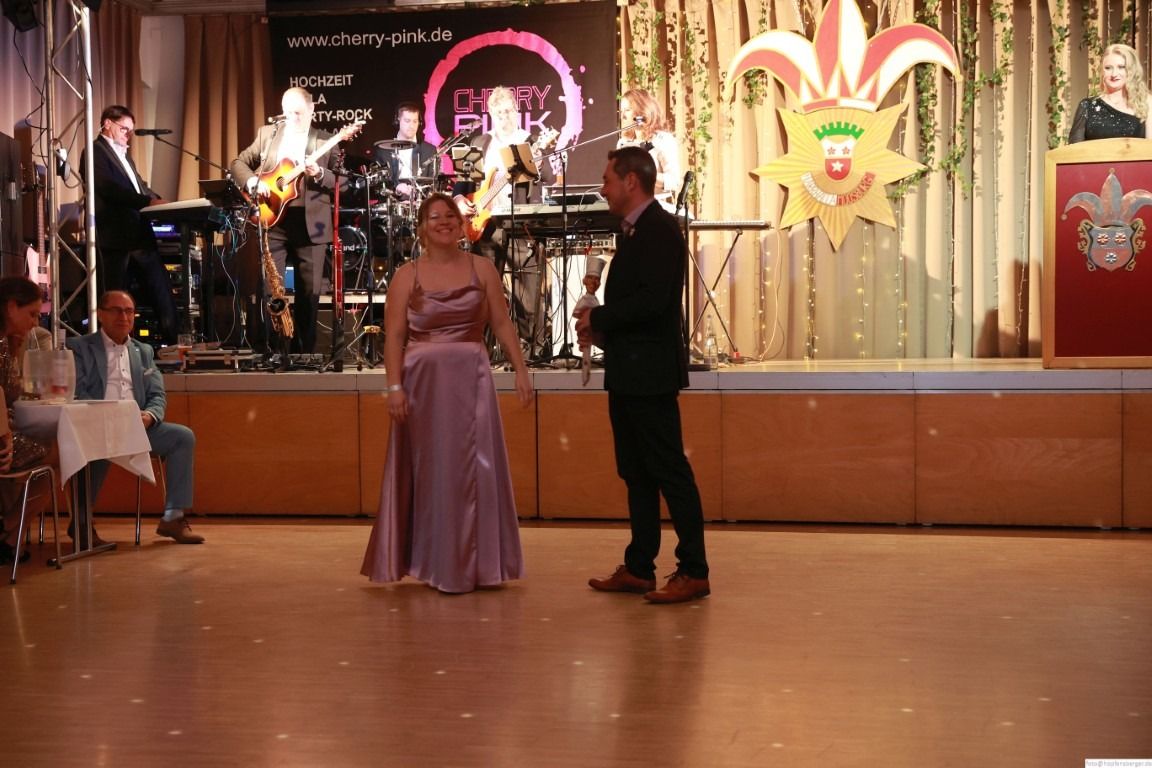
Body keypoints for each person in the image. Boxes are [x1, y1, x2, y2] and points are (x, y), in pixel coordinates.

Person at [361, 192, 534, 594]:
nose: (445, 221)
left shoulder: (482, 268)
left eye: (451, 216)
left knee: (475, 468)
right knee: (433, 471)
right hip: (422, 384)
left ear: (461, 225)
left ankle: (478, 564)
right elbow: (394, 338)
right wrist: (394, 387)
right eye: (435, 217)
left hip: (471, 378)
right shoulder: (406, 275)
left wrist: (521, 370)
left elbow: (502, 323)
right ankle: (435, 561)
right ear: (422, 229)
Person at [574, 146, 710, 604]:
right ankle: (639, 567)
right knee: (636, 472)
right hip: (630, 370)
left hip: (649, 374)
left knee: (669, 471)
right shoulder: (637, 230)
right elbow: (639, 306)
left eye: (607, 180)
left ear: (631, 181)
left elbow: (652, 303)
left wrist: (600, 318)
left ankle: (694, 570)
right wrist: (602, 331)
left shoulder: (659, 229)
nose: (603, 188)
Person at [69, 290, 203, 544]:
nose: (124, 316)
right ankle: (82, 523)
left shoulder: (144, 351)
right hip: (97, 424)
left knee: (182, 437)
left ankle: (173, 518)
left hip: (137, 426)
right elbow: (78, 390)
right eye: (116, 310)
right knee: (95, 442)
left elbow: (157, 395)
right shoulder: (80, 347)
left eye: (129, 311)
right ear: (101, 314)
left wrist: (150, 416)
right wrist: (108, 416)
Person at [231, 87, 340, 355]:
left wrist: (320, 173)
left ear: (312, 109)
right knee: (271, 291)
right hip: (273, 221)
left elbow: (343, 182)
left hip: (310, 227)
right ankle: (274, 351)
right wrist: (253, 181)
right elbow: (237, 163)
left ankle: (305, 354)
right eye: (288, 113)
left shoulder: (326, 140)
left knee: (309, 296)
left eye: (298, 113)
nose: (293, 118)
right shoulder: (267, 135)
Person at [455, 86, 550, 359]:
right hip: (484, 226)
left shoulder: (528, 141)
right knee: (482, 293)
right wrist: (459, 199)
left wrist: (536, 161)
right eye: (498, 112)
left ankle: (532, 352)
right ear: (490, 114)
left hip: (520, 225)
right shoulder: (480, 142)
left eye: (508, 111)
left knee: (527, 294)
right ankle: (479, 354)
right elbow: (464, 182)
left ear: (517, 111)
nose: (504, 117)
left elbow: (548, 176)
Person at [83, 105, 179, 345]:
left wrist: (161, 202)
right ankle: (114, 348)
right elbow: (108, 188)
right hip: (116, 238)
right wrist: (147, 201)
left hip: (139, 235)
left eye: (130, 130)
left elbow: (139, 186)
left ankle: (175, 344)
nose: (128, 135)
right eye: (124, 128)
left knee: (161, 293)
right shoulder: (94, 151)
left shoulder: (125, 156)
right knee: (116, 298)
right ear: (107, 123)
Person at [0, 278, 59, 565]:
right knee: (60, 453)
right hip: (2, 440)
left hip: (5, 431)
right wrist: (5, 435)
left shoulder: (7, 342)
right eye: (32, 314)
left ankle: (9, 534)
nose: (35, 322)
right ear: (11, 307)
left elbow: (11, 392)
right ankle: (9, 531)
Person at [1069, 43, 1152, 143]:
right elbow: (1074, 150)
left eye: (1121, 67)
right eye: (1108, 68)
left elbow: (1149, 148)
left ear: (1132, 70)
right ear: (1102, 71)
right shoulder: (1087, 106)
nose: (1114, 74)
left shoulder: (1146, 102)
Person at [617, 88, 683, 208]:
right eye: (621, 111)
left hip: (658, 206)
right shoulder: (623, 143)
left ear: (642, 111)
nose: (622, 116)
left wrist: (646, 174)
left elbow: (674, 181)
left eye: (627, 110)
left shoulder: (663, 140)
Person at [373, 101, 438, 202]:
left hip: (420, 204)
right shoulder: (383, 150)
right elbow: (378, 185)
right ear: (397, 121)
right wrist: (396, 189)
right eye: (407, 121)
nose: (411, 126)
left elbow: (434, 184)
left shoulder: (429, 150)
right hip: (391, 204)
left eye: (415, 121)